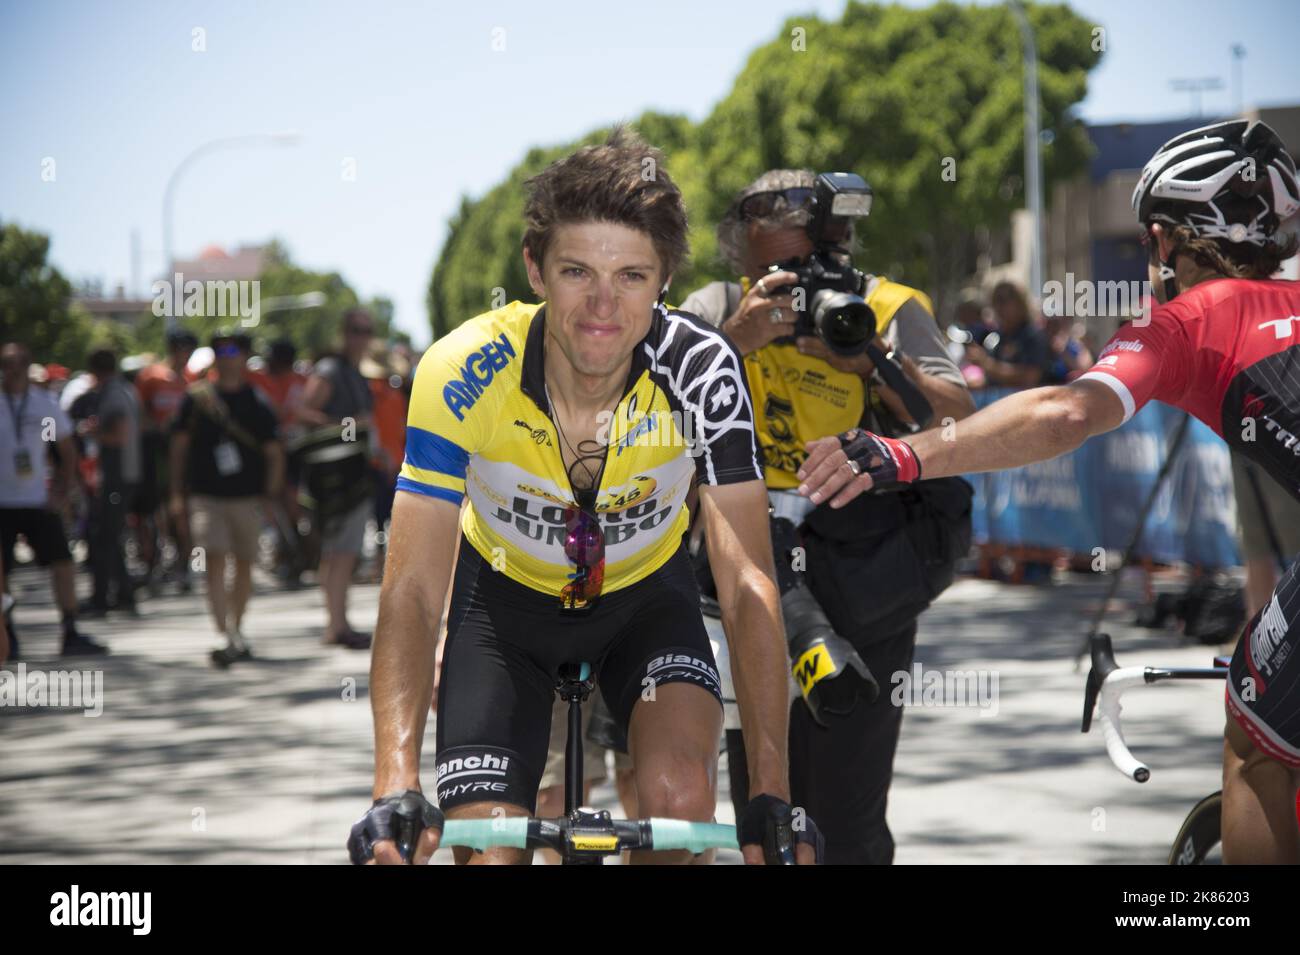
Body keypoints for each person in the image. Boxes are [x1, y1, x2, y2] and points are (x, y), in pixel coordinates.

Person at [794, 119, 1300, 864]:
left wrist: (903, 454)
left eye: (1150, 239)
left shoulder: (1191, 318)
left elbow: (1064, 411)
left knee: (1257, 728)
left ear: (1169, 240)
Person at [349, 128, 815, 866]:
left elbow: (749, 584)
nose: (602, 305)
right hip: (503, 608)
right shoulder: (461, 368)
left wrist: (773, 796)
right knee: (489, 845)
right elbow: (409, 587)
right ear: (534, 270)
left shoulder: (704, 372)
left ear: (663, 280)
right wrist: (394, 782)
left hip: (645, 602)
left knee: (680, 801)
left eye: (631, 275)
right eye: (577, 271)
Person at [679, 168, 976, 864]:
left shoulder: (886, 306)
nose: (792, 287)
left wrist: (873, 361)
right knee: (766, 808)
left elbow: (961, 423)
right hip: (748, 572)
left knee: (847, 816)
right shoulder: (716, 306)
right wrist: (734, 340)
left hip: (865, 581)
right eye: (772, 272)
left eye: (807, 266)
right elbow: (649, 422)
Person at [170, 330, 284, 668]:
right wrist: (176, 494)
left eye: (233, 349)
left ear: (245, 355)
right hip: (206, 496)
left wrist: (271, 493)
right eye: (219, 349)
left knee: (245, 564)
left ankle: (236, 626)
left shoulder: (257, 401)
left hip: (247, 497)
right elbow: (178, 447)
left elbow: (275, 451)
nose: (226, 354)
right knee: (215, 557)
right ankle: (221, 632)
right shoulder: (196, 398)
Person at [0, 342, 106, 656]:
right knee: (3, 571)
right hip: (3, 502)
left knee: (62, 562)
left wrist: (63, 490)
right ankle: (8, 633)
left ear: (28, 365)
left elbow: (66, 450)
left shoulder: (43, 404)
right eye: (6, 363)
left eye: (18, 362)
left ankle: (70, 629)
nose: (13, 369)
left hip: (37, 499)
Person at [300, 310, 377, 649]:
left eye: (367, 331)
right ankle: (337, 625)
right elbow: (302, 413)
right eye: (356, 330)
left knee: (339, 552)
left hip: (353, 473)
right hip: (335, 479)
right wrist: (349, 423)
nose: (361, 337)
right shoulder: (330, 369)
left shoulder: (356, 373)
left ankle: (336, 623)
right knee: (341, 552)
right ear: (343, 332)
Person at [134, 329, 199, 593]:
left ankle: (185, 563)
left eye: (188, 350)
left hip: (186, 453)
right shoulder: (151, 376)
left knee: (184, 509)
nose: (184, 355)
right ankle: (153, 561)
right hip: (156, 451)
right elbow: (139, 413)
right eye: (180, 349)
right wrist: (158, 429)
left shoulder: (192, 380)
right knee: (157, 508)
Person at [80, 348, 141, 616]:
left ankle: (104, 597)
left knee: (105, 535)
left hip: (118, 474)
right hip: (126, 473)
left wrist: (91, 432)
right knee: (109, 534)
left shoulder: (113, 394)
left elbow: (119, 435)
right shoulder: (125, 389)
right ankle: (120, 593)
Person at [963, 281, 1049, 389]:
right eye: (995, 301)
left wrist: (987, 363)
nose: (999, 307)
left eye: (1004, 300)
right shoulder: (995, 337)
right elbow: (991, 380)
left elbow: (1030, 377)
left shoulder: (1032, 335)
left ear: (1020, 303)